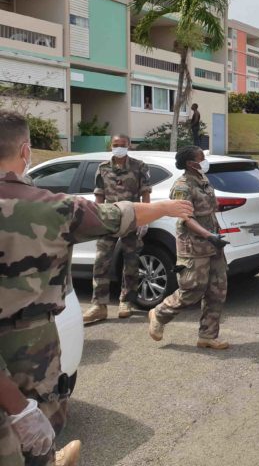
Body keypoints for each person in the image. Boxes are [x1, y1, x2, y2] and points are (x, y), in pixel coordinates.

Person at [0, 110, 193, 466]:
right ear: (26, 151)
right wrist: (167, 208)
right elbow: (113, 213)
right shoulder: (51, 208)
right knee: (29, 442)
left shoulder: (134, 171)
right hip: (28, 350)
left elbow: (123, 209)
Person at [148, 146, 230, 349]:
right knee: (192, 290)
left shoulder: (203, 181)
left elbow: (209, 210)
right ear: (191, 164)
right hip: (194, 246)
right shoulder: (182, 186)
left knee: (217, 290)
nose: (205, 161)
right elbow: (186, 218)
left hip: (213, 244)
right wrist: (209, 235)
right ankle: (159, 314)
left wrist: (215, 234)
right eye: (201, 158)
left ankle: (208, 336)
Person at [82, 135, 152, 324]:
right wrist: (96, 218)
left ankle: (126, 301)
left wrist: (145, 219)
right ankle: (99, 305)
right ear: (110, 146)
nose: (119, 148)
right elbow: (99, 195)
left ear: (129, 146)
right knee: (101, 261)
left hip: (131, 216)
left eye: (122, 145)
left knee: (131, 261)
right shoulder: (103, 168)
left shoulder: (139, 166)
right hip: (108, 217)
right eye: (115, 145)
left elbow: (146, 193)